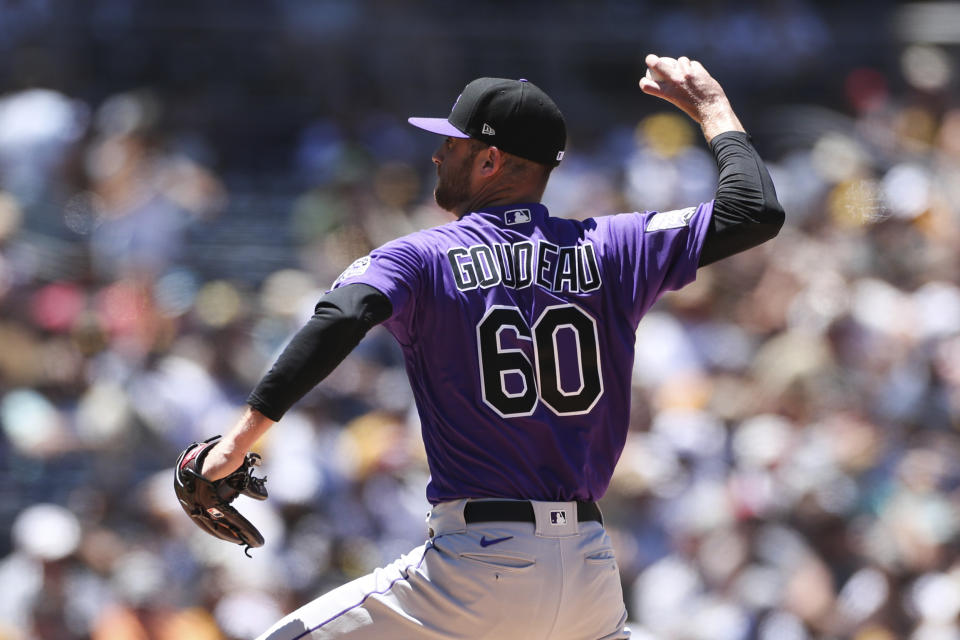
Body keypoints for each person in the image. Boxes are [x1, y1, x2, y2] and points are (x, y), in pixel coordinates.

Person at [198, 53, 785, 639]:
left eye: (451, 144)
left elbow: (343, 314)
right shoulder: (614, 248)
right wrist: (713, 109)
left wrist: (236, 442)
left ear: (490, 159)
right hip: (588, 573)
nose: (436, 154)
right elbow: (754, 209)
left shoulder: (421, 255)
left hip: (475, 565)